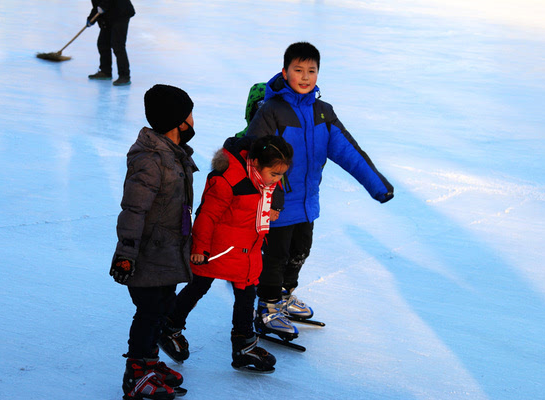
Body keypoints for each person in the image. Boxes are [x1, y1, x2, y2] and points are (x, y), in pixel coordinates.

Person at [245, 41, 395, 340]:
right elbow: (254, 157)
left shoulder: (322, 113)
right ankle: (267, 307)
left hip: (307, 203)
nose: (304, 77)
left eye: (311, 71)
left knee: (300, 252)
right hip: (277, 204)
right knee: (275, 257)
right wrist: (272, 196)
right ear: (285, 71)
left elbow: (349, 151)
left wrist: (377, 186)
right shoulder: (271, 112)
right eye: (298, 70)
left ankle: (284, 295)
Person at [158, 134, 293, 373]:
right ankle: (169, 325)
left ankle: (243, 345)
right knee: (199, 285)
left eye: (281, 174)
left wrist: (268, 212)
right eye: (274, 174)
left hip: (246, 250)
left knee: (246, 296)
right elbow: (207, 215)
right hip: (217, 249)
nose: (278, 180)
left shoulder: (261, 178)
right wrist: (200, 248)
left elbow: (255, 203)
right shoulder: (229, 179)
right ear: (256, 163)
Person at [110, 84, 198, 399]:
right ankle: (136, 374)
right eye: (189, 115)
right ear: (177, 121)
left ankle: (149, 362)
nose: (193, 121)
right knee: (148, 312)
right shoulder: (150, 158)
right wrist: (125, 255)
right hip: (148, 253)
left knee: (161, 308)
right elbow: (134, 209)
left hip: (170, 250)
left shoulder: (173, 154)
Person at [86, 0, 135, 86]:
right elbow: (97, 5)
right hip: (108, 15)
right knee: (103, 43)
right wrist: (91, 19)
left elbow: (103, 5)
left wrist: (103, 6)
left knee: (118, 45)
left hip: (120, 12)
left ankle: (124, 76)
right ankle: (105, 71)